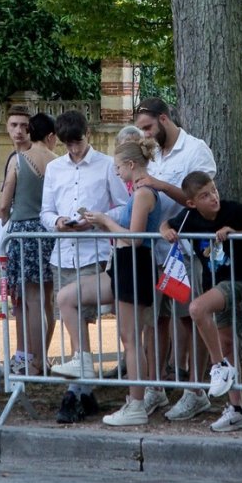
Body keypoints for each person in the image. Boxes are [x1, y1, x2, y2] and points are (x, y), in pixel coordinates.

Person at [133, 97, 218, 419]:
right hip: (154, 251)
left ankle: (195, 390)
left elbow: (202, 200)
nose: (145, 134)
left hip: (185, 252)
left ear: (164, 119)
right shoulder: (150, 152)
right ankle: (156, 388)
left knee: (189, 319)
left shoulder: (196, 150)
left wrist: (159, 185)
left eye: (148, 127)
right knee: (155, 321)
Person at [42, 110, 128, 423]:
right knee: (71, 318)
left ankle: (78, 388)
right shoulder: (54, 168)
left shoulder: (105, 165)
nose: (74, 150)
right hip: (64, 253)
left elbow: (123, 206)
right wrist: (58, 221)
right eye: (68, 145)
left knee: (84, 315)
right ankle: (83, 388)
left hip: (94, 252)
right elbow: (45, 211)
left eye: (77, 143)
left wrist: (96, 219)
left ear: (87, 135)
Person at [161, 172, 242, 432]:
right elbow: (166, 223)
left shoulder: (234, 210)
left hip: (238, 280)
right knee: (226, 343)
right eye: (205, 195)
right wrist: (166, 231)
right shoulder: (189, 217)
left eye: (214, 190)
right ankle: (237, 409)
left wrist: (236, 231)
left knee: (197, 308)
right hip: (213, 283)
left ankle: (219, 367)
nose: (213, 197)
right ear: (192, 203)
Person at [82, 139, 167, 426]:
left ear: (131, 165)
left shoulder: (143, 194)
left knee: (130, 338)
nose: (116, 172)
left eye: (118, 167)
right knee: (129, 337)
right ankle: (135, 399)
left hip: (135, 263)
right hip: (129, 263)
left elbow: (135, 238)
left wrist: (106, 221)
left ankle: (136, 403)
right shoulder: (140, 192)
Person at [0, 112, 58, 379]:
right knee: (47, 301)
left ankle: (35, 360)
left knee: (31, 300)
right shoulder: (57, 162)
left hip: (23, 231)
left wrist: (4, 223)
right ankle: (43, 356)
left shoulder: (19, 160)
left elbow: (4, 204)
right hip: (48, 230)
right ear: (51, 135)